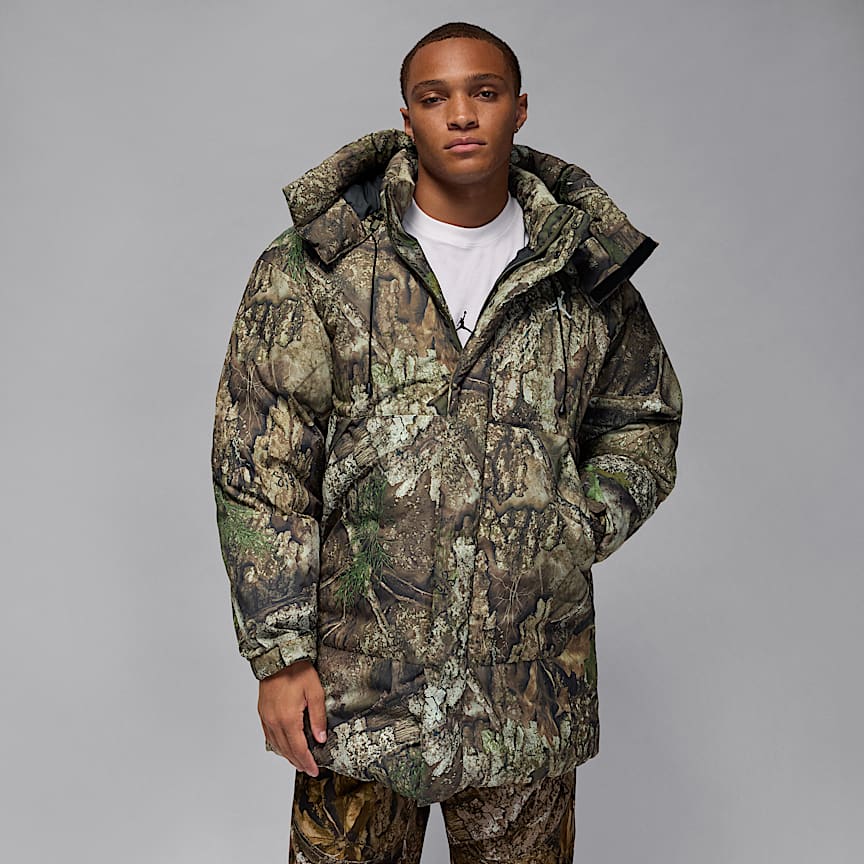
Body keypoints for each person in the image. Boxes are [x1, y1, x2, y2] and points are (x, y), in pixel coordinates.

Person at [211, 21, 683, 863]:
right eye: (435, 98)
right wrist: (280, 657)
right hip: (358, 688)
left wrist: (574, 524)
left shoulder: (579, 273)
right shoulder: (320, 264)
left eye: (484, 93)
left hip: (527, 692)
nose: (461, 114)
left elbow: (640, 418)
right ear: (408, 118)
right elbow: (261, 461)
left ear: (519, 109)